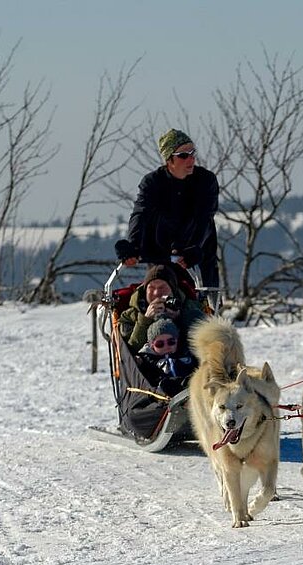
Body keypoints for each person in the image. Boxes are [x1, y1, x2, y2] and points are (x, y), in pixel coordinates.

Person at [114, 128, 220, 288]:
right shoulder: (153, 182)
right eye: (183, 155)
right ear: (169, 160)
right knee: (162, 296)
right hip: (162, 253)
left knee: (204, 303)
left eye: (193, 153)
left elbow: (204, 218)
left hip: (198, 253)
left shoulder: (205, 180)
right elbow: (140, 214)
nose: (191, 159)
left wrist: (195, 247)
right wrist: (133, 245)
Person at [118, 264, 205, 351]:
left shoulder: (191, 307)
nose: (156, 293)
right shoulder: (130, 315)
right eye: (151, 288)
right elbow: (130, 351)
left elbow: (204, 342)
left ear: (172, 290)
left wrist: (180, 318)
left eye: (162, 288)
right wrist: (145, 320)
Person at [135, 318, 197, 395]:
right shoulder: (147, 360)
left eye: (171, 342)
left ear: (177, 340)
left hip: (192, 388)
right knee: (165, 384)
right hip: (164, 395)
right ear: (152, 345)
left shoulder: (187, 352)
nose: (166, 346)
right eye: (160, 344)